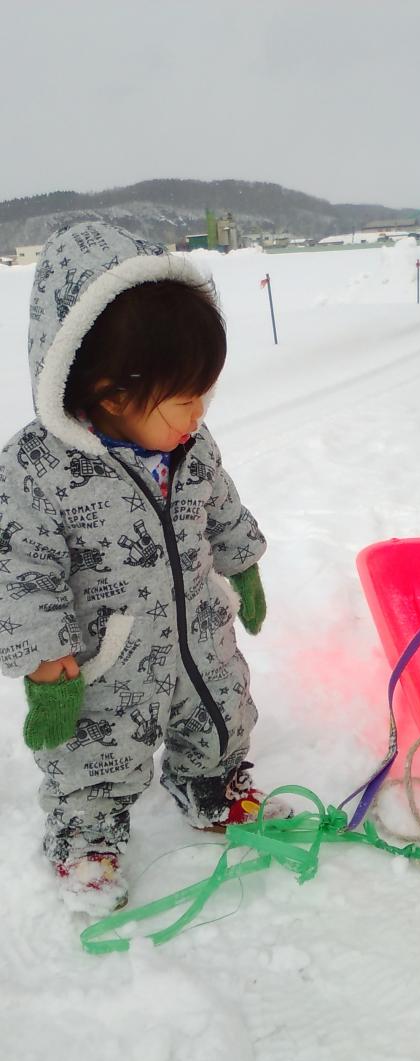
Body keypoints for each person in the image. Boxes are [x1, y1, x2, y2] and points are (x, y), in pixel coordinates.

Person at [0, 220, 272, 914]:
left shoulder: (191, 444)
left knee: (219, 710)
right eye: (184, 400)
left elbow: (220, 503)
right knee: (96, 751)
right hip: (105, 658)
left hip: (198, 630)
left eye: (203, 395)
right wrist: (41, 653)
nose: (199, 414)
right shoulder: (36, 468)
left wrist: (240, 564)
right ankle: (87, 830)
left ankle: (208, 780)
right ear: (110, 393)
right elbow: (18, 564)